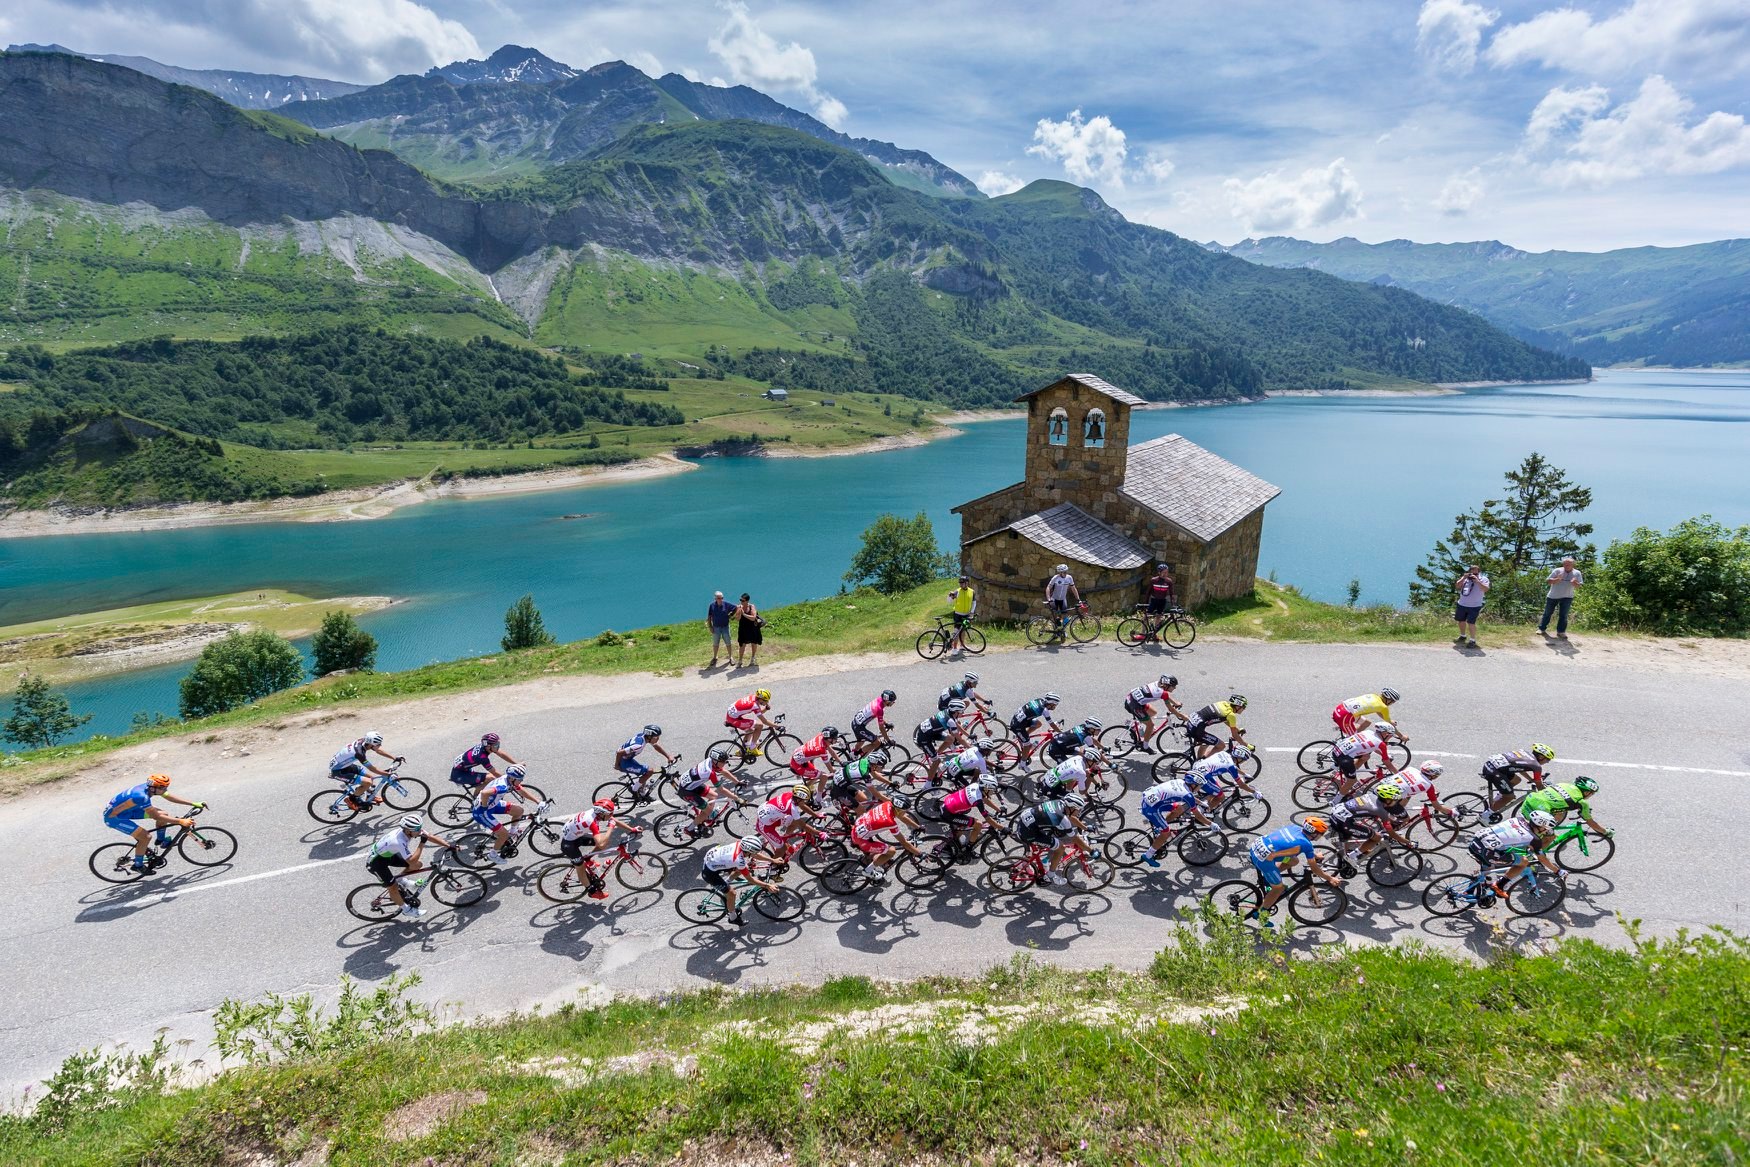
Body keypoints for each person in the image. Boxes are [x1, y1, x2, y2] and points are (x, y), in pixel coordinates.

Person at [1246, 818, 1343, 928]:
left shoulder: (1295, 828)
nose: (1321, 836)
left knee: (1294, 860)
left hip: (1258, 846)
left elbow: (1288, 844)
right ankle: (1261, 914)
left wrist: (1314, 855)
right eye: (1321, 834)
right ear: (1314, 834)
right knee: (1279, 888)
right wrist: (1330, 878)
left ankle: (1268, 880)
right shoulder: (1306, 844)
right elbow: (1314, 868)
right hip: (1263, 859)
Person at [103, 774, 204, 872]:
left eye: (166, 787)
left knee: (164, 814)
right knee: (145, 837)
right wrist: (181, 821)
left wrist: (193, 803)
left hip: (127, 810)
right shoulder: (141, 796)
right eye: (163, 788)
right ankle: (138, 865)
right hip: (114, 818)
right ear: (153, 788)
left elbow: (169, 797)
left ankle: (161, 840)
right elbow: (156, 816)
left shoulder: (150, 787)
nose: (165, 790)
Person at [367, 814, 455, 921]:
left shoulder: (409, 831)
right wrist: (422, 843)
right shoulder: (398, 841)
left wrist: (448, 845)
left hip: (386, 855)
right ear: (408, 831)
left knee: (418, 865)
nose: (420, 830)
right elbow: (412, 861)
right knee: (393, 887)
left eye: (420, 827)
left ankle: (403, 881)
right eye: (417, 829)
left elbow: (430, 836)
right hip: (375, 863)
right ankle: (406, 910)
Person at [1328, 781, 1414, 874]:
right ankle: (1352, 856)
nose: (1396, 802)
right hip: (1343, 822)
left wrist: (1388, 820)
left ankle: (1344, 857)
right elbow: (1391, 833)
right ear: (1387, 800)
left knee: (1348, 836)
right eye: (1395, 800)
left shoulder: (1371, 796)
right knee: (1377, 837)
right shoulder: (1380, 810)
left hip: (1336, 814)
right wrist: (1407, 842)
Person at [559, 797, 636, 900]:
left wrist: (632, 829)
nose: (611, 815)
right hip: (569, 844)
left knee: (604, 841)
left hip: (574, 836)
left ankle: (588, 859)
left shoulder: (595, 812)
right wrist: (610, 828)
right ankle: (592, 891)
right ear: (602, 813)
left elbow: (613, 820)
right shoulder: (592, 822)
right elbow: (601, 845)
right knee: (581, 867)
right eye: (610, 813)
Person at [699, 835, 783, 926]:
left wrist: (772, 860)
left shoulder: (740, 844)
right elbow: (750, 880)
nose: (755, 854)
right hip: (709, 873)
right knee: (732, 893)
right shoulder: (738, 860)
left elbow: (754, 854)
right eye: (754, 852)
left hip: (714, 859)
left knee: (743, 868)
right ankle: (733, 918)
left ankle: (726, 882)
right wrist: (767, 885)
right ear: (749, 851)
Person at [1137, 775, 1219, 867]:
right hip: (1151, 808)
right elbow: (1197, 815)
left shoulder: (1181, 782)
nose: (1200, 788)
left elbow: (1190, 797)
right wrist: (1211, 824)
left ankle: (1159, 827)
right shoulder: (1187, 794)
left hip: (1152, 800)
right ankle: (1148, 855)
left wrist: (1201, 803)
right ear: (1193, 785)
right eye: (1199, 785)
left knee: (1179, 808)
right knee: (1166, 833)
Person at [1467, 811, 1560, 889]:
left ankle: (1475, 886)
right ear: (1541, 826)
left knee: (1492, 861)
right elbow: (1542, 859)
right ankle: (1500, 885)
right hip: (1487, 852)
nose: (1546, 831)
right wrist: (1557, 871)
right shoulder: (1534, 839)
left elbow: (1510, 838)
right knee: (1524, 862)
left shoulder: (1517, 819)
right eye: (1546, 829)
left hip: (1475, 843)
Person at [1012, 794, 1088, 884]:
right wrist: (1090, 850)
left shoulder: (1059, 804)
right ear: (1071, 808)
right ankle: (1051, 875)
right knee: (1060, 847)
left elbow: (1071, 817)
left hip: (1025, 822)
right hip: (1028, 833)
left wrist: (1085, 827)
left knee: (1049, 838)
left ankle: (1026, 863)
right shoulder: (1063, 818)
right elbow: (1074, 838)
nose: (1079, 812)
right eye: (1078, 809)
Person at [472, 765, 538, 862]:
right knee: (503, 835)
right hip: (482, 812)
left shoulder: (507, 779)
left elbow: (521, 790)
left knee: (519, 811)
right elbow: (484, 793)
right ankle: (493, 855)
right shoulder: (502, 786)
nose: (521, 781)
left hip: (493, 805)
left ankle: (513, 832)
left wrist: (538, 801)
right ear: (512, 778)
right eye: (520, 779)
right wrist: (485, 807)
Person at [850, 797, 923, 883]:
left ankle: (871, 858)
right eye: (905, 811)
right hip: (861, 840)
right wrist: (920, 853)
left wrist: (918, 827)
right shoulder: (890, 822)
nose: (905, 813)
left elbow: (902, 817)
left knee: (882, 850)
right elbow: (904, 843)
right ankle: (868, 871)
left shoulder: (887, 804)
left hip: (856, 829)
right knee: (892, 851)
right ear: (898, 810)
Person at [1328, 723, 1410, 798]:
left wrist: (1383, 754)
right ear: (1385, 733)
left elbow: (1370, 747)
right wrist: (1398, 775)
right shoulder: (1381, 744)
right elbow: (1387, 763)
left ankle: (1348, 772)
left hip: (1337, 750)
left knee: (1366, 756)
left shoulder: (1368, 732)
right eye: (1390, 735)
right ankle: (1336, 800)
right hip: (1344, 758)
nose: (1390, 737)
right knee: (1352, 781)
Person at [1521, 776, 1613, 839]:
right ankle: (1531, 855)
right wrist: (1605, 831)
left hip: (1528, 802)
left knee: (1560, 812)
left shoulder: (1564, 784)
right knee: (1550, 838)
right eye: (1592, 793)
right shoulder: (1582, 802)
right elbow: (1591, 823)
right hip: (1538, 812)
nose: (1591, 796)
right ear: (1586, 792)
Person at [1482, 743, 1556, 820]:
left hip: (1490, 766)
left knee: (1517, 780)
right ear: (1541, 757)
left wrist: (1530, 779)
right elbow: (1539, 785)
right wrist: (1545, 795)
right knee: (1509, 797)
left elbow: (1520, 769)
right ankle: (1485, 816)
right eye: (1547, 760)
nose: (1547, 762)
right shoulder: (1536, 766)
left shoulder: (1526, 754)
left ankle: (1497, 800)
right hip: (1495, 772)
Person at [679, 747, 744, 833]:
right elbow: (722, 790)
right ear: (716, 761)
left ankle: (705, 816)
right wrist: (737, 798)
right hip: (686, 792)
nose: (725, 763)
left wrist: (737, 782)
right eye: (723, 762)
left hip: (691, 785)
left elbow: (724, 771)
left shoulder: (710, 761)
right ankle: (689, 829)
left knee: (714, 796)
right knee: (709, 811)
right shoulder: (709, 772)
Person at [328, 731, 401, 807]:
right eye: (378, 744)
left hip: (344, 765)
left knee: (371, 777)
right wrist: (387, 774)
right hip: (338, 771)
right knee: (368, 782)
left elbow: (378, 750)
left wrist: (394, 757)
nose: (380, 745)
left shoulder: (363, 741)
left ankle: (370, 796)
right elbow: (372, 769)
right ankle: (350, 799)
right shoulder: (359, 753)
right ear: (371, 744)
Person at [756, 784, 825, 862]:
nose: (805, 801)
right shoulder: (791, 808)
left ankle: (785, 838)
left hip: (769, 816)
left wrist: (816, 815)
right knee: (782, 849)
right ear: (798, 799)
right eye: (804, 800)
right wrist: (819, 833)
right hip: (765, 827)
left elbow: (802, 805)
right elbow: (803, 825)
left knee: (794, 821)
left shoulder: (789, 795)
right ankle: (773, 867)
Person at [939, 775, 1005, 855]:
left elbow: (985, 799)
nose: (992, 792)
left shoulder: (975, 785)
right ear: (986, 788)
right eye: (991, 790)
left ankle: (954, 841)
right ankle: (969, 848)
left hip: (947, 805)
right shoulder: (977, 800)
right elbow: (988, 819)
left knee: (963, 825)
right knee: (978, 824)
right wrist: (1002, 828)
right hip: (949, 813)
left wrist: (998, 809)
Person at [615, 724, 678, 800]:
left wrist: (668, 756)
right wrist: (617, 766)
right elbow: (619, 753)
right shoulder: (638, 745)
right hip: (624, 762)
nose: (658, 738)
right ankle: (634, 790)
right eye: (656, 737)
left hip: (627, 759)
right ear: (649, 736)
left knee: (645, 773)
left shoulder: (643, 736)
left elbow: (655, 746)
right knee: (649, 771)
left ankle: (641, 793)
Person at [1123, 675, 1184, 752]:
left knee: (1153, 712)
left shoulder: (1157, 684)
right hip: (1135, 705)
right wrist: (1180, 715)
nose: (1175, 688)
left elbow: (1166, 695)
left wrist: (1176, 703)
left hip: (1132, 699)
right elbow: (1170, 708)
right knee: (1150, 725)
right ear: (1166, 685)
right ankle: (1145, 747)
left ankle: (1134, 726)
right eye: (1173, 686)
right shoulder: (1161, 692)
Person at [914, 701, 967, 781]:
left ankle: (936, 754)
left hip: (929, 731)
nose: (963, 713)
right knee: (937, 761)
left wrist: (968, 735)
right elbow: (960, 739)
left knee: (951, 739)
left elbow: (957, 726)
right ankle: (928, 785)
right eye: (961, 711)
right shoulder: (950, 721)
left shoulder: (947, 712)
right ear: (956, 711)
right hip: (924, 738)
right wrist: (971, 748)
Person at [450, 732, 519, 792]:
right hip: (459, 774)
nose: (497, 747)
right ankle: (476, 802)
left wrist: (516, 763)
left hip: (463, 768)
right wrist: (508, 781)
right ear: (488, 746)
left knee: (489, 779)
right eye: (495, 745)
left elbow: (501, 754)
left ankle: (477, 796)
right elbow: (494, 772)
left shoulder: (485, 747)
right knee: (491, 778)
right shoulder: (482, 757)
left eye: (498, 744)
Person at [723, 689, 777, 760]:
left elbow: (759, 712)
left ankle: (742, 751)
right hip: (734, 719)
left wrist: (766, 708)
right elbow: (764, 721)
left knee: (750, 730)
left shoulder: (754, 698)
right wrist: (776, 726)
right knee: (760, 725)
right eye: (765, 700)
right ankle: (752, 748)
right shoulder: (754, 705)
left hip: (732, 716)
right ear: (760, 699)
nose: (767, 702)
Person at [1008, 692, 1063, 759]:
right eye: (1054, 705)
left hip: (1018, 719)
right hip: (1017, 726)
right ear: (1050, 703)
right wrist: (1060, 732)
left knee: (1038, 724)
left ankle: (1022, 736)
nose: (1055, 707)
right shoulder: (1044, 710)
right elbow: (1051, 724)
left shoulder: (1039, 700)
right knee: (1027, 746)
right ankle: (1023, 764)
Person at [1539, 557, 1584, 639]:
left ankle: (1561, 632)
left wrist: (1574, 582)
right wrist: (1557, 579)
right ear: (1563, 564)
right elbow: (1548, 581)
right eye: (1565, 564)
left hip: (1567, 597)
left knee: (1563, 615)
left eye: (1568, 564)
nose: (1566, 566)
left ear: (1572, 565)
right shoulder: (1557, 570)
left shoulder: (1577, 573)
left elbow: (1579, 586)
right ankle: (1541, 629)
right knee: (1548, 613)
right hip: (1553, 596)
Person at [1332, 689, 1400, 737]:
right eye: (1393, 701)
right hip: (1345, 716)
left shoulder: (1373, 695)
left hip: (1341, 708)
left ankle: (1347, 730)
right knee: (1353, 740)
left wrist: (1389, 720)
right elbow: (1390, 724)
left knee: (1366, 723)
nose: (1392, 703)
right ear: (1388, 699)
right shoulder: (1383, 707)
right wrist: (1401, 736)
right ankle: (1343, 746)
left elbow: (1378, 710)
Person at [850, 690, 898, 757]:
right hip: (859, 727)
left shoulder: (879, 700)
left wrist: (886, 724)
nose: (893, 703)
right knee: (877, 742)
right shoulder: (879, 709)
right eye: (892, 701)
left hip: (855, 722)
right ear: (887, 701)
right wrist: (888, 740)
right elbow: (881, 728)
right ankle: (857, 755)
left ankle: (852, 755)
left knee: (861, 741)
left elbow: (878, 716)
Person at [1453, 565, 1490, 648]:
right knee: (1461, 621)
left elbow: (1486, 589)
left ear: (1479, 571)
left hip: (1474, 605)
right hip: (1462, 604)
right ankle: (1463, 636)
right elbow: (1457, 586)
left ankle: (1472, 640)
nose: (1473, 571)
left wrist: (1477, 581)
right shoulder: (1466, 578)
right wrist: (1463, 577)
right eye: (1471, 570)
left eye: (1475, 570)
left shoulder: (1484, 579)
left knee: (1471, 623)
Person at [1043, 564, 1082, 638]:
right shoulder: (1056, 578)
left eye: (1066, 571)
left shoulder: (1069, 578)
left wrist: (1078, 599)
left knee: (1064, 616)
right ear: (1060, 572)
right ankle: (1055, 632)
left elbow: (1073, 589)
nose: (1065, 573)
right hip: (1054, 599)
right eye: (1063, 572)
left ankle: (1062, 631)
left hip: (1063, 599)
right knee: (1055, 616)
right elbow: (1048, 587)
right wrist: (1048, 598)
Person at [945, 576, 977, 652]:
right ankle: (955, 648)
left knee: (963, 630)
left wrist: (972, 612)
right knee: (956, 631)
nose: (960, 585)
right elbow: (949, 601)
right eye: (960, 583)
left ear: (967, 583)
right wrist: (950, 596)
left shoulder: (972, 592)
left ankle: (962, 645)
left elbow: (974, 602)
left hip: (966, 615)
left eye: (962, 583)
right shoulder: (957, 591)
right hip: (958, 615)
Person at [706, 591, 737, 669]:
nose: (720, 599)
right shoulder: (712, 605)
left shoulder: (726, 604)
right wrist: (710, 627)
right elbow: (709, 617)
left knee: (728, 642)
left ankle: (731, 657)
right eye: (719, 598)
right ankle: (715, 657)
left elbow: (736, 608)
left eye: (722, 598)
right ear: (715, 598)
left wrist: (731, 615)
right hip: (716, 627)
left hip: (725, 627)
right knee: (715, 643)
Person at [734, 592, 764, 666]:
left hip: (752, 628)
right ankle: (740, 660)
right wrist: (739, 612)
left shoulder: (751, 606)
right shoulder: (739, 607)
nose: (741, 602)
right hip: (743, 629)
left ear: (747, 601)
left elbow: (753, 618)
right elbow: (737, 619)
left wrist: (744, 614)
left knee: (754, 643)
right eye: (740, 600)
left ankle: (753, 659)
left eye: (743, 600)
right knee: (742, 645)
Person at [1144, 563, 1176, 630]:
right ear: (1159, 572)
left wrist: (1173, 604)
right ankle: (1143, 632)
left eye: (1166, 572)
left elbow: (1171, 594)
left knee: (1159, 616)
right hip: (1154, 600)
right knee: (1147, 616)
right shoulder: (1154, 580)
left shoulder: (1169, 581)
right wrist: (1146, 603)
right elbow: (1148, 592)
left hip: (1162, 601)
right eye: (1163, 572)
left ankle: (1154, 633)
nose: (1165, 574)